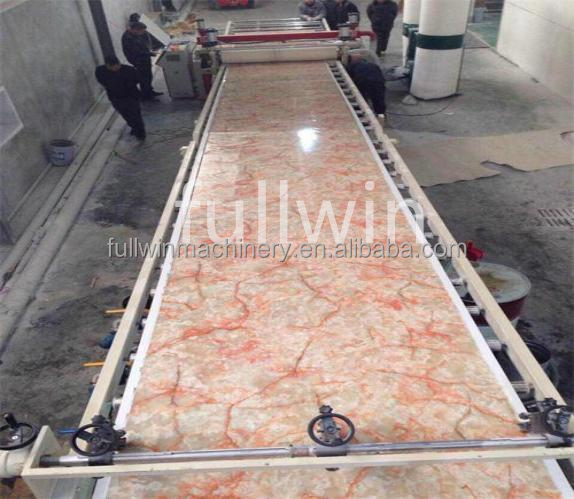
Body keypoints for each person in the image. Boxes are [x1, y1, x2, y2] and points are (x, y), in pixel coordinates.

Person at [95, 55, 146, 140]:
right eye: (112, 67)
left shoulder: (129, 70)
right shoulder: (101, 71)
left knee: (136, 115)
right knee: (125, 114)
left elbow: (138, 79)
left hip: (131, 96)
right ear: (107, 66)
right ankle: (134, 127)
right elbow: (101, 80)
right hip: (116, 98)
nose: (115, 68)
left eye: (117, 66)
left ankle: (141, 133)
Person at [121, 21, 163, 100]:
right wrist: (150, 53)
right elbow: (136, 51)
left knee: (148, 76)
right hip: (138, 60)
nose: (142, 33)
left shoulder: (134, 34)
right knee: (144, 78)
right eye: (141, 31)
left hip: (144, 58)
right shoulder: (128, 38)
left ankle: (150, 91)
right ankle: (146, 95)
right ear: (135, 29)